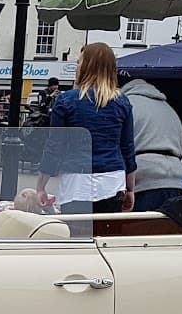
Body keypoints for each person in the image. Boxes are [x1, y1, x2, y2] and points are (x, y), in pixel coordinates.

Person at [38, 42, 136, 214]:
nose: (76, 67)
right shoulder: (122, 102)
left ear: (87, 67)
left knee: (77, 230)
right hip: (112, 180)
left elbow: (54, 147)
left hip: (76, 181)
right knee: (106, 231)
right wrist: (131, 189)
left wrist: (41, 186)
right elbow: (127, 148)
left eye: (79, 62)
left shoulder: (66, 101)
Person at [121, 77, 182, 211]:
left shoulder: (126, 105)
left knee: (139, 224)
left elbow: (122, 146)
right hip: (174, 181)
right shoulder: (169, 110)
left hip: (143, 181)